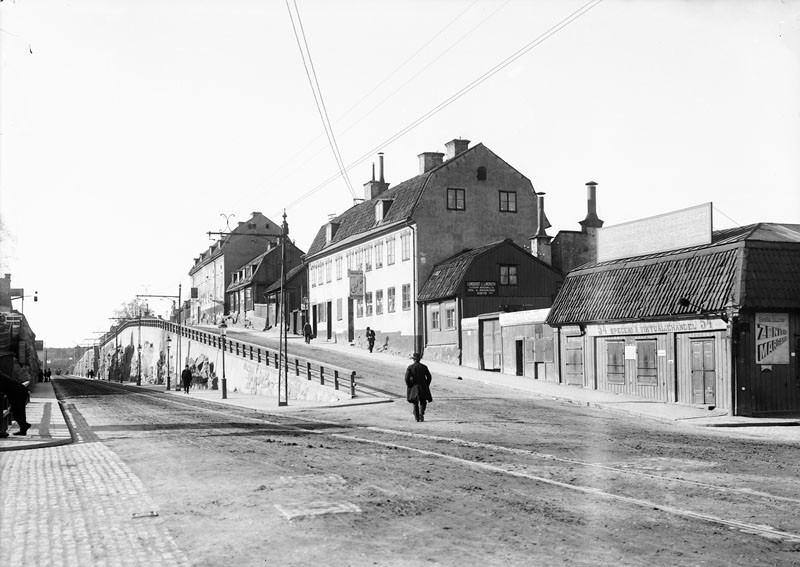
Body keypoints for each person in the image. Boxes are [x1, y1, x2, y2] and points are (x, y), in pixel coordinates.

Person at [0, 371, 31, 436]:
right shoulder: (2, 376)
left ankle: (24, 427)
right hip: (20, 392)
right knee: (19, 412)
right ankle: (24, 428)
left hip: (18, 394)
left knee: (16, 413)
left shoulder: (1, 378)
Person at [405, 352, 432, 422]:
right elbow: (429, 377)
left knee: (415, 402)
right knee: (423, 401)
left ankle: (417, 417)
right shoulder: (424, 367)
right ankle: (421, 413)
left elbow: (406, 378)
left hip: (414, 386)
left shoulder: (410, 367)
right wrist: (426, 384)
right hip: (423, 386)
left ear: (413, 360)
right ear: (419, 359)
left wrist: (409, 385)